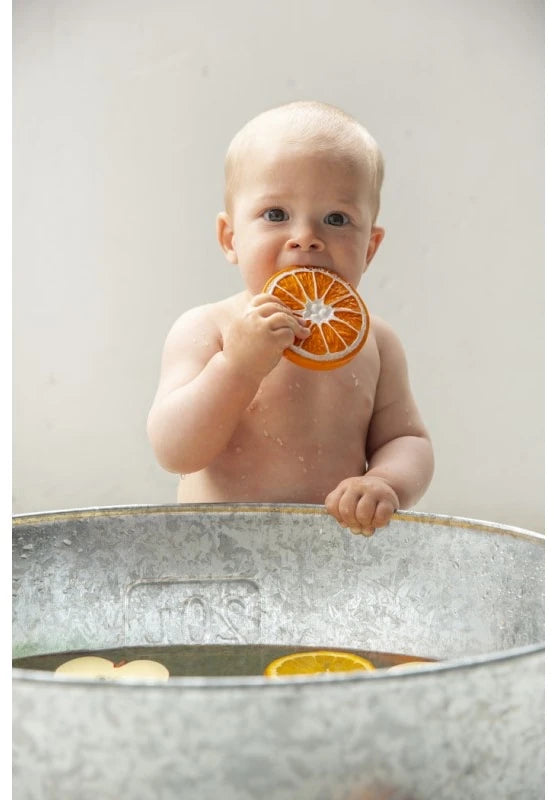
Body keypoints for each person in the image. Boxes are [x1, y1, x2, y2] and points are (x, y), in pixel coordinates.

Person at [147, 100, 434, 536]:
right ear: (231, 238)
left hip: (332, 556)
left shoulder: (376, 342)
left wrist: (385, 482)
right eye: (276, 214)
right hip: (215, 552)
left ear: (370, 248)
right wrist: (236, 367)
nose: (306, 238)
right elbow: (174, 452)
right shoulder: (209, 329)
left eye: (336, 219)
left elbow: (407, 440)